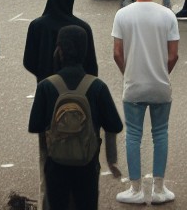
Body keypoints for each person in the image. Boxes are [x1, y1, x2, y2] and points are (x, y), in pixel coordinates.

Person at [28, 24, 123, 210]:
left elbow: (35, 125)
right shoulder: (97, 86)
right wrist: (111, 160)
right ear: (85, 51)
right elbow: (114, 125)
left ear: (59, 51)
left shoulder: (46, 86)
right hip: (87, 164)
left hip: (56, 164)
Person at [111, 0, 179, 205]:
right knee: (160, 133)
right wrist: (162, 72)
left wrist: (128, 72)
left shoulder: (122, 15)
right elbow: (173, 55)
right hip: (160, 85)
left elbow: (117, 53)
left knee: (133, 135)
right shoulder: (168, 16)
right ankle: (159, 189)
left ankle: (136, 188)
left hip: (134, 85)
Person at [23, 0, 99, 83]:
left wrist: (43, 74)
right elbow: (91, 67)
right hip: (78, 88)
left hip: (46, 85)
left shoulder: (37, 26)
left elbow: (28, 61)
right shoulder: (82, 29)